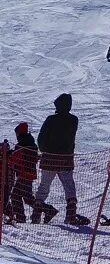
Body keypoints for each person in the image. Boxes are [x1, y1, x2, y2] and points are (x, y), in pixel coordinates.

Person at [35, 94, 89, 225]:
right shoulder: (73, 120)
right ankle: (71, 215)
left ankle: (36, 215)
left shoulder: (51, 119)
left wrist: (43, 150)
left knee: (44, 186)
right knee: (69, 186)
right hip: (66, 159)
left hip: (49, 158)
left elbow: (41, 138)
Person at [4, 123, 58, 224]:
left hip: (23, 174)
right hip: (29, 174)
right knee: (19, 196)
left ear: (19, 134)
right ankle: (21, 218)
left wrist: (8, 158)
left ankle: (48, 210)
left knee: (23, 197)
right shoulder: (31, 144)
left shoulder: (21, 145)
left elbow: (14, 159)